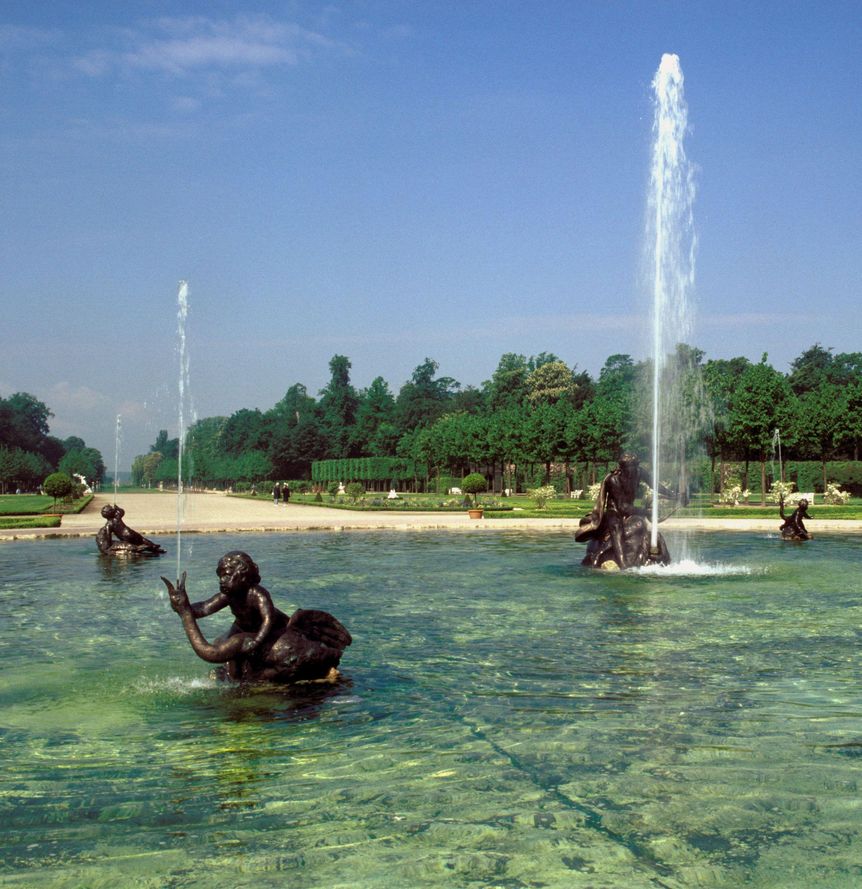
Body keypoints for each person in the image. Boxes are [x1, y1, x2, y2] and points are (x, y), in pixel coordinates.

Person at [162, 551, 352, 683]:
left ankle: (247, 677)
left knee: (263, 651)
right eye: (220, 576)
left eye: (227, 576)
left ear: (242, 575)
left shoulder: (257, 594)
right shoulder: (228, 595)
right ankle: (236, 680)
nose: (222, 581)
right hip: (243, 628)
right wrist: (184, 607)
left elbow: (267, 619)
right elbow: (204, 608)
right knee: (226, 647)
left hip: (273, 630)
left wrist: (258, 641)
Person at [576, 454, 672, 569]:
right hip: (614, 511)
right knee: (616, 527)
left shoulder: (639, 472)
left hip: (630, 513)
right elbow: (622, 507)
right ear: (622, 468)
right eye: (630, 467)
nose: (633, 471)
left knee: (640, 525)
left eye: (635, 466)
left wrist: (673, 495)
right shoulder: (614, 479)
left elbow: (655, 486)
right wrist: (646, 512)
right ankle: (622, 562)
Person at [96, 503, 166, 555]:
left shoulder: (108, 524)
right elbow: (122, 511)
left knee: (135, 546)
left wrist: (108, 546)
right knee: (142, 539)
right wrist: (117, 508)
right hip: (129, 532)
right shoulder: (117, 517)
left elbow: (108, 536)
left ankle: (147, 548)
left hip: (124, 537)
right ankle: (154, 547)